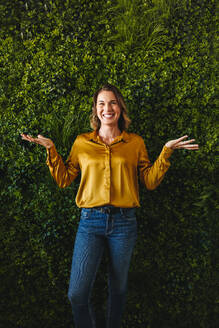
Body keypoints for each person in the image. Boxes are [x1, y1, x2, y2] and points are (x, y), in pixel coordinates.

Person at [21, 84, 199, 328]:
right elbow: (64, 179)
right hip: (90, 221)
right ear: (95, 110)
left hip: (124, 223)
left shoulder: (135, 142)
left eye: (112, 102)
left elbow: (149, 181)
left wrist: (166, 152)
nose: (108, 108)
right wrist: (51, 150)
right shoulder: (82, 142)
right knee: (77, 293)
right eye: (102, 103)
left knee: (118, 289)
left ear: (120, 107)